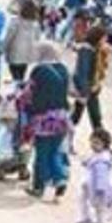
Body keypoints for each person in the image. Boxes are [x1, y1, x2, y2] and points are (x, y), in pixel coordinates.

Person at [24, 42, 74, 201]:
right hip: (62, 117)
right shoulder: (64, 69)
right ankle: (60, 179)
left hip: (43, 118)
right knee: (56, 151)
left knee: (42, 153)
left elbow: (30, 92)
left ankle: (39, 186)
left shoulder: (38, 70)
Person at [70, 25, 110, 133]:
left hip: (90, 88)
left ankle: (101, 140)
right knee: (79, 117)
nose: (105, 40)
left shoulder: (95, 49)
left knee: (92, 116)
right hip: (86, 88)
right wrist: (85, 91)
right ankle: (62, 138)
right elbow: (83, 72)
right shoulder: (86, 50)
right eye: (104, 37)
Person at [77, 129, 112, 223]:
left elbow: (101, 176)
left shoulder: (102, 160)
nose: (93, 145)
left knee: (97, 205)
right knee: (91, 203)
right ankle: (95, 221)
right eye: (92, 142)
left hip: (97, 187)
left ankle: (94, 221)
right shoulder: (100, 155)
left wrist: (100, 187)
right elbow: (90, 161)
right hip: (90, 184)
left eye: (97, 143)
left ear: (104, 144)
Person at [3, 0, 42, 83]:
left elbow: (9, 37)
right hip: (28, 53)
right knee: (21, 74)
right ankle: (19, 88)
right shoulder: (36, 24)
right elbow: (38, 39)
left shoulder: (15, 22)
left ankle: (18, 89)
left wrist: (3, 48)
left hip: (15, 52)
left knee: (15, 74)